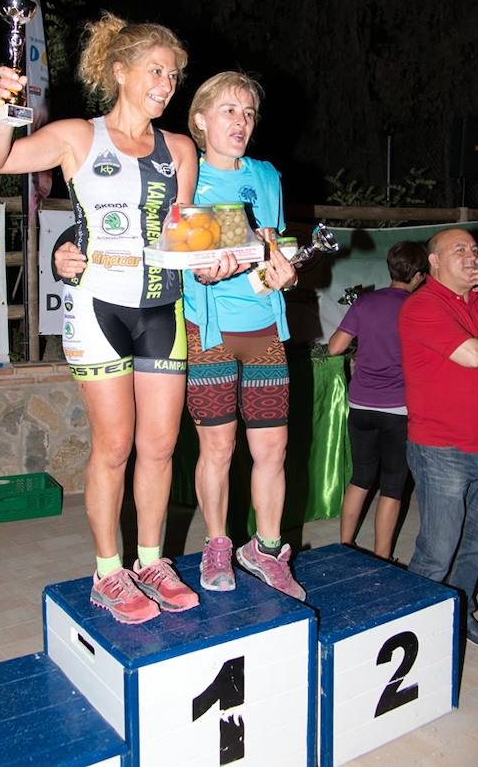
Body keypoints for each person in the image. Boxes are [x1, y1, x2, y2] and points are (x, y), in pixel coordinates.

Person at [0, 14, 203, 625]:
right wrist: (3, 110)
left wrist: (211, 260)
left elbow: (185, 233)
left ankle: (152, 561)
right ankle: (109, 571)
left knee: (159, 448)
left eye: (174, 74)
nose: (166, 83)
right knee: (115, 447)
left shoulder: (181, 149)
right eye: (156, 70)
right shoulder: (79, 135)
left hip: (164, 308)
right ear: (120, 70)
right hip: (98, 306)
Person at [183, 71, 305, 600]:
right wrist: (198, 270)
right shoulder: (185, 173)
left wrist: (289, 273)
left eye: (248, 113)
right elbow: (173, 247)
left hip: (264, 330)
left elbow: (275, 246)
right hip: (208, 329)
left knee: (273, 447)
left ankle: (266, 547)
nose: (240, 121)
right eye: (229, 110)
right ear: (201, 119)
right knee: (218, 447)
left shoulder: (267, 175)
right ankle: (216, 543)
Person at [398, 227, 478, 650]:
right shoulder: (421, 306)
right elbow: (477, 356)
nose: (471, 255)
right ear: (433, 261)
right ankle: (411, 630)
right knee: (438, 550)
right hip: (441, 448)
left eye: (475, 249)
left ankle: (459, 614)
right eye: (459, 249)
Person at [328, 241, 428, 559]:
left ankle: (345, 547)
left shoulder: (365, 303)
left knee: (360, 477)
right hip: (399, 409)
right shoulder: (421, 307)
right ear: (420, 275)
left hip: (361, 406)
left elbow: (334, 347)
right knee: (392, 485)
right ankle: (382, 558)